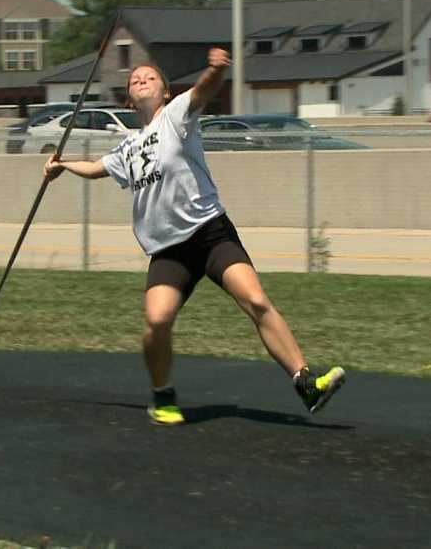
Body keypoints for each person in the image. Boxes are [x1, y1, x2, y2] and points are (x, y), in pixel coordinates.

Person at [44, 48, 345, 426]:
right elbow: (95, 167)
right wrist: (62, 167)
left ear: (165, 92)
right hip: (169, 251)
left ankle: (306, 383)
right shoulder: (127, 147)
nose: (141, 80)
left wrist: (215, 69)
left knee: (255, 300)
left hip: (209, 233)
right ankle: (162, 395)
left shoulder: (176, 116)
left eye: (149, 77)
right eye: (134, 79)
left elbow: (204, 90)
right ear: (127, 98)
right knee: (157, 321)